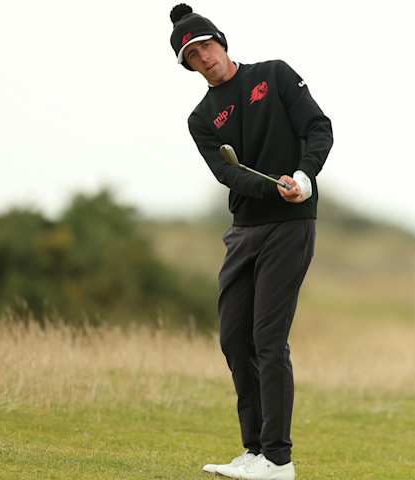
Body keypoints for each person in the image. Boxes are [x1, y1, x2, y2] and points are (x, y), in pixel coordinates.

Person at [169, 4, 333, 480]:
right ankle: (255, 452)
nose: (203, 58)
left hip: (291, 223)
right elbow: (228, 172)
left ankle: (279, 460)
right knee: (234, 338)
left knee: (267, 338)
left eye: (205, 46)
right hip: (244, 230)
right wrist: (270, 186)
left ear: (220, 40)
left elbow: (318, 128)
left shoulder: (275, 75)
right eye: (191, 55)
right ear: (187, 65)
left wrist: (304, 174)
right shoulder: (202, 118)